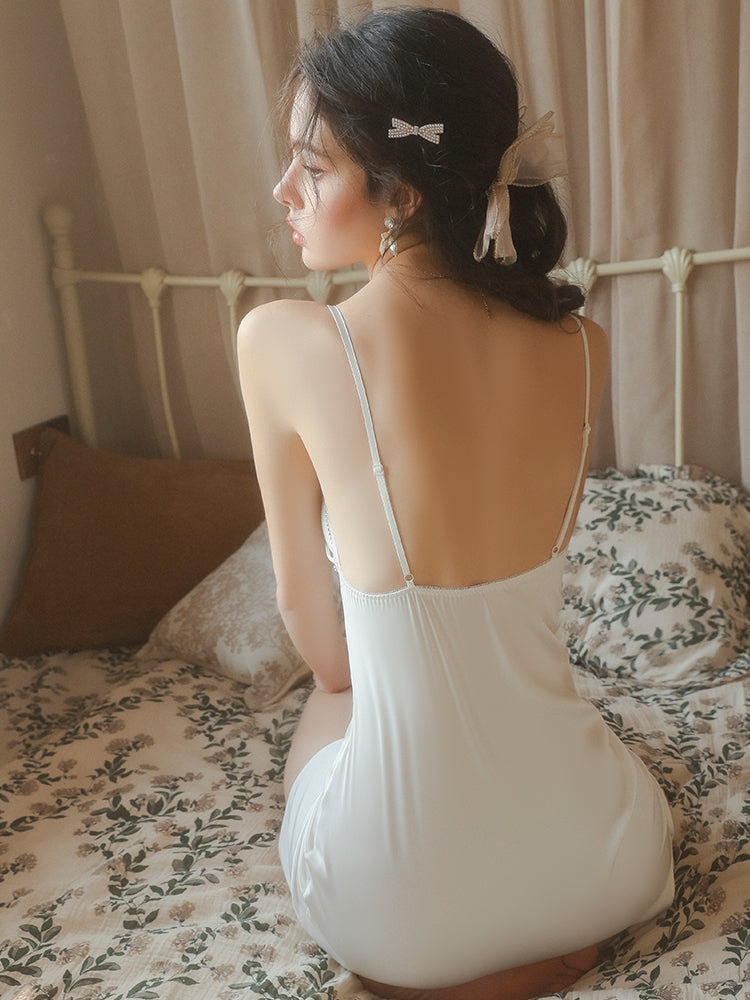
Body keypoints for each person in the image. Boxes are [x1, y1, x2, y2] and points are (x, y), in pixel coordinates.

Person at [238, 9, 674, 1000]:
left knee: (334, 692)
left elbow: (315, 629)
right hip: (608, 863)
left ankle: (437, 978)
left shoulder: (285, 342)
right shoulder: (583, 347)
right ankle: (532, 949)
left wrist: (346, 681)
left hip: (398, 911)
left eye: (311, 165)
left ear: (397, 189)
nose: (283, 191)